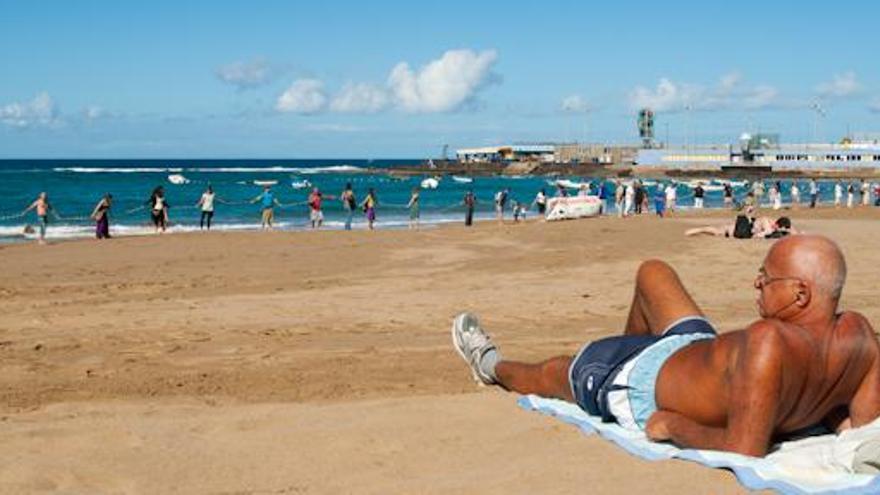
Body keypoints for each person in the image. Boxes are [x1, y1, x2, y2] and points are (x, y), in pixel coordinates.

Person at [451, 235, 880, 457]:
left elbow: (745, 448)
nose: (757, 283)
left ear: (800, 294)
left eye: (766, 278)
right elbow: (858, 428)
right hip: (692, 344)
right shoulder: (861, 336)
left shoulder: (768, 340)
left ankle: (489, 364)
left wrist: (673, 427)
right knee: (653, 272)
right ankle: (623, 345)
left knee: (549, 374)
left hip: (635, 383)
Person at [685, 214, 798, 239]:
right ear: (777, 224)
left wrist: (793, 232)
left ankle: (698, 231)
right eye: (778, 228)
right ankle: (696, 230)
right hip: (737, 229)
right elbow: (764, 232)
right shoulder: (767, 222)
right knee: (717, 231)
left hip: (742, 228)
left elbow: (791, 229)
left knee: (717, 230)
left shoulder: (774, 222)